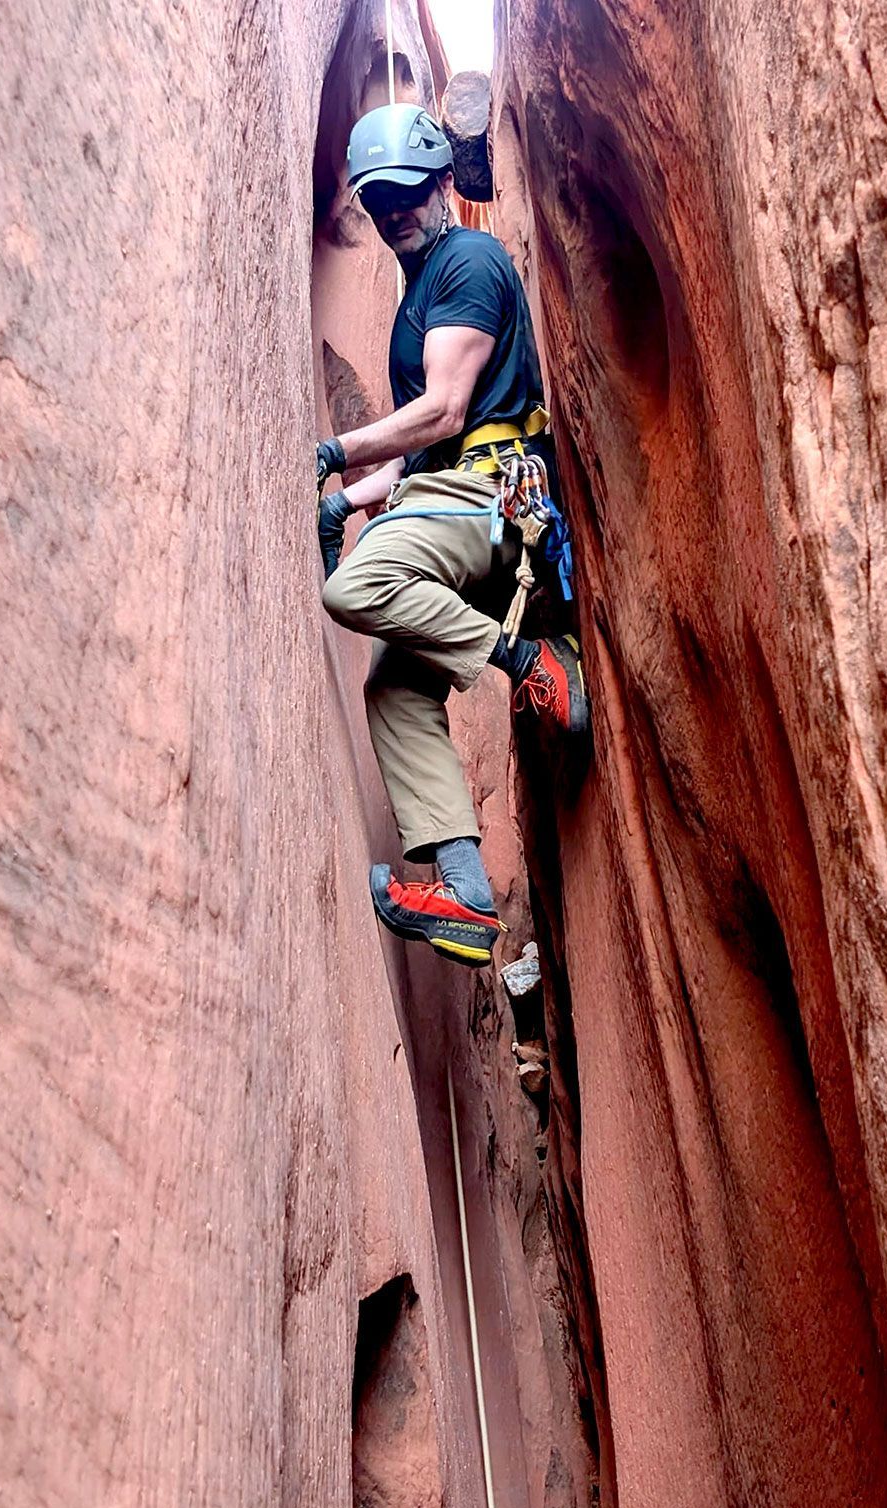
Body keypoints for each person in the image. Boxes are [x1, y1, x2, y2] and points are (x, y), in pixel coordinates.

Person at [317, 103, 587, 968]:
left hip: (494, 501)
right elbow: (424, 445)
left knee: (355, 586)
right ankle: (468, 894)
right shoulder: (418, 294)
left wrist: (330, 450)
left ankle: (530, 664)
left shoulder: (467, 259)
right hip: (452, 494)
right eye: (379, 197)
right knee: (394, 690)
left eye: (408, 190)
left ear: (440, 183)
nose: (397, 209)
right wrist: (347, 495)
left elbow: (444, 411)